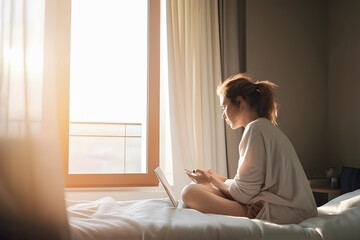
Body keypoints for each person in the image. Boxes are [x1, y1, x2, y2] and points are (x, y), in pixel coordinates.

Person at [181, 73, 317, 224]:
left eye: (224, 107)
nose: (223, 116)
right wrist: (217, 179)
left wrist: (212, 179)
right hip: (287, 208)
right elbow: (249, 188)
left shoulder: (255, 129)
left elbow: (243, 195)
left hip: (286, 212)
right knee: (195, 188)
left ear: (239, 101)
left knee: (190, 193)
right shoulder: (262, 127)